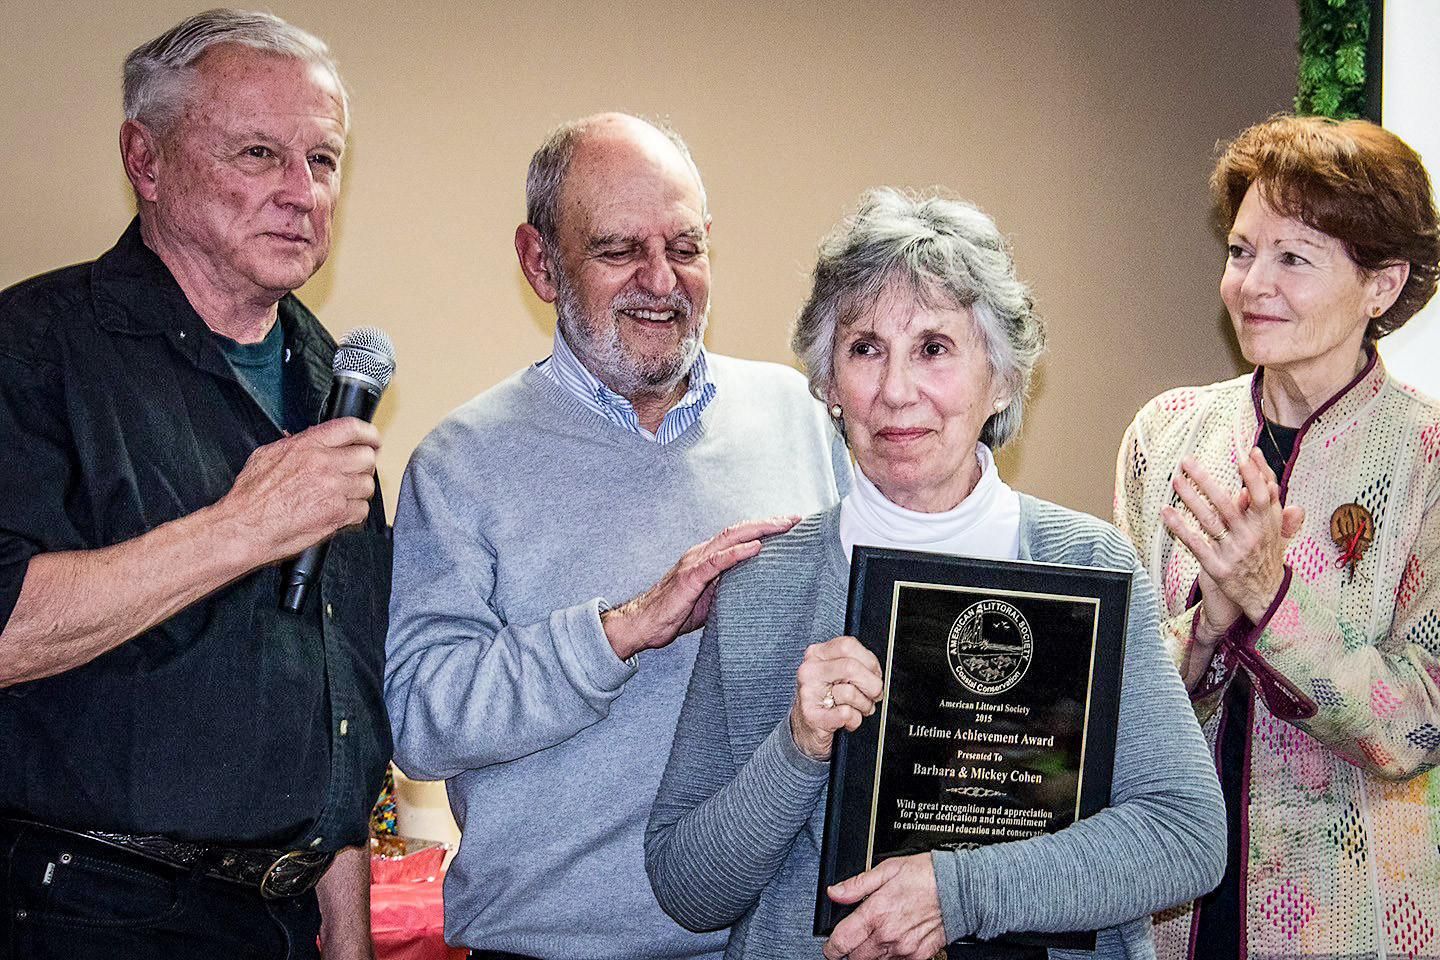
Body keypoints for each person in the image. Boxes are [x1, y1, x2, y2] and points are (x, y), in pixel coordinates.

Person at [645, 187, 1226, 960]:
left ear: (1005, 380)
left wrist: (957, 896)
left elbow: (1184, 835)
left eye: (934, 348)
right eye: (864, 349)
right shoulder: (764, 584)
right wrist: (796, 748)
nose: (895, 390)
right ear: (827, 385)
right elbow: (687, 888)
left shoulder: (1085, 564)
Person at [384, 112, 851, 960]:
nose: (660, 280)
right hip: (556, 948)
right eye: (617, 250)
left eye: (685, 247)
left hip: (778, 943)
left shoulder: (800, 415)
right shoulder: (460, 463)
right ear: (540, 263)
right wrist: (624, 630)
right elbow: (420, 719)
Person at [0, 10, 390, 960]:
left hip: (290, 918)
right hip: (90, 914)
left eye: (325, 161)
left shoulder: (330, 374)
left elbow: (334, 696)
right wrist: (241, 527)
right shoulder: (33, 348)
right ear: (146, 159)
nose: (302, 193)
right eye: (260, 153)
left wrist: (347, 937)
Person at [1114, 114, 1440, 958]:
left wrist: (1271, 601)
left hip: (1351, 916)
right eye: (1240, 251)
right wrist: (1207, 626)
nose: (1253, 283)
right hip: (1169, 906)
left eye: (1294, 258)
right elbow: (1112, 686)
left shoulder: (1429, 461)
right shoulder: (1167, 435)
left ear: (1382, 284)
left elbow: (1417, 726)